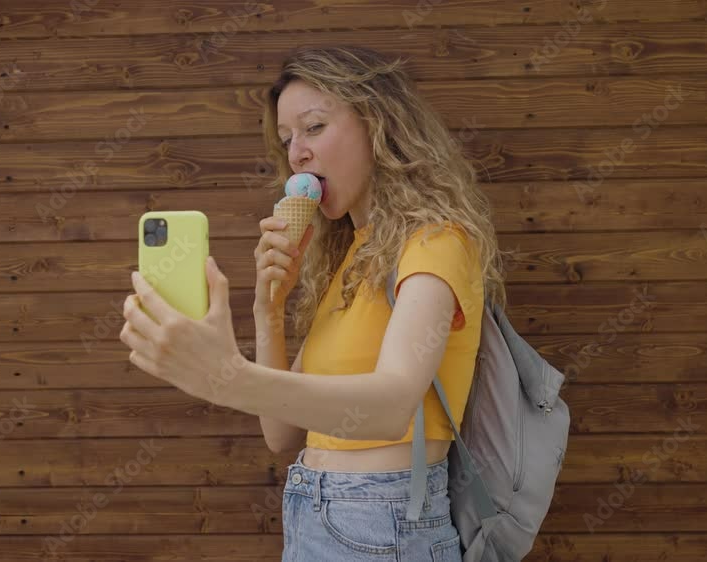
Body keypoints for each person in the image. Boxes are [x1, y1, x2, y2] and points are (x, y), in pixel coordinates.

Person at [120, 45, 509, 561]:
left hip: (385, 523)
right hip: (313, 513)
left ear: (378, 124)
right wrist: (269, 311)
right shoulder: (353, 257)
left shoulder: (437, 242)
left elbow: (393, 406)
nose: (296, 154)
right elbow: (280, 432)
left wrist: (227, 376)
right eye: (287, 140)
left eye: (314, 128)